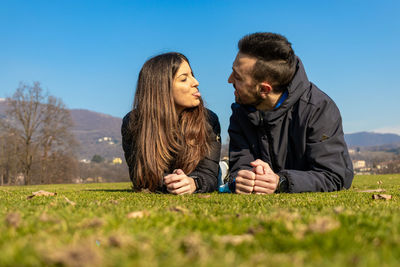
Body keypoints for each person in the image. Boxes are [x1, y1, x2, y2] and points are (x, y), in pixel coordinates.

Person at [226, 32, 354, 194]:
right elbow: (239, 166)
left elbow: (333, 176)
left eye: (237, 77)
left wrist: (281, 182)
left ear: (264, 89)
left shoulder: (319, 109)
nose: (229, 80)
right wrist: (242, 178)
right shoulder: (240, 111)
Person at [121, 52, 221, 194]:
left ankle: (223, 169)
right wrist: (170, 182)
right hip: (166, 184)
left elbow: (208, 173)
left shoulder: (208, 120)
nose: (196, 82)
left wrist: (194, 183)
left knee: (218, 173)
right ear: (162, 87)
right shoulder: (133, 122)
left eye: (192, 75)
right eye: (184, 79)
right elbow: (139, 177)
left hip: (196, 177)